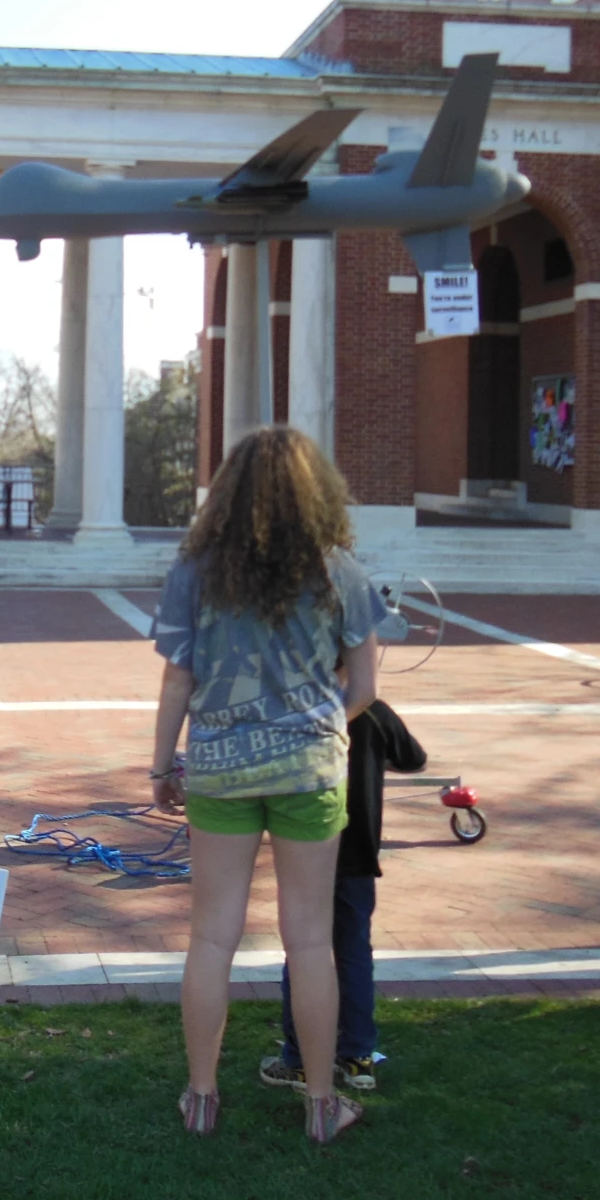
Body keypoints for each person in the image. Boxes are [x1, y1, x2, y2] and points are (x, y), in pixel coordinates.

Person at [148, 425, 383, 1146]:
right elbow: (366, 687)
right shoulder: (340, 569)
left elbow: (178, 677)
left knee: (211, 936)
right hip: (309, 768)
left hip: (219, 764)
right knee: (311, 939)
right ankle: (320, 1104)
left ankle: (200, 1096)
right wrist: (318, 727)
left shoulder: (196, 570)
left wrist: (162, 765)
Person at [258, 699, 426, 1096]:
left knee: (302, 952)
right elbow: (413, 759)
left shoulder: (295, 708)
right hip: (358, 851)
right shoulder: (374, 712)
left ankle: (298, 1060)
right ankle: (357, 1055)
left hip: (308, 848)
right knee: (354, 953)